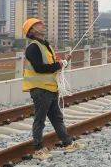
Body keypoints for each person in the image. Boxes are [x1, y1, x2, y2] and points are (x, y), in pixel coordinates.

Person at [22, 18, 81, 157]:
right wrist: (59, 65)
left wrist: (63, 62)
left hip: (50, 88)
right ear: (32, 31)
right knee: (40, 120)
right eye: (38, 24)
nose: (42, 25)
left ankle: (68, 143)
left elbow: (52, 65)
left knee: (57, 118)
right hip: (40, 89)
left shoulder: (45, 45)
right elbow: (40, 68)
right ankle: (38, 149)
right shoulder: (33, 47)